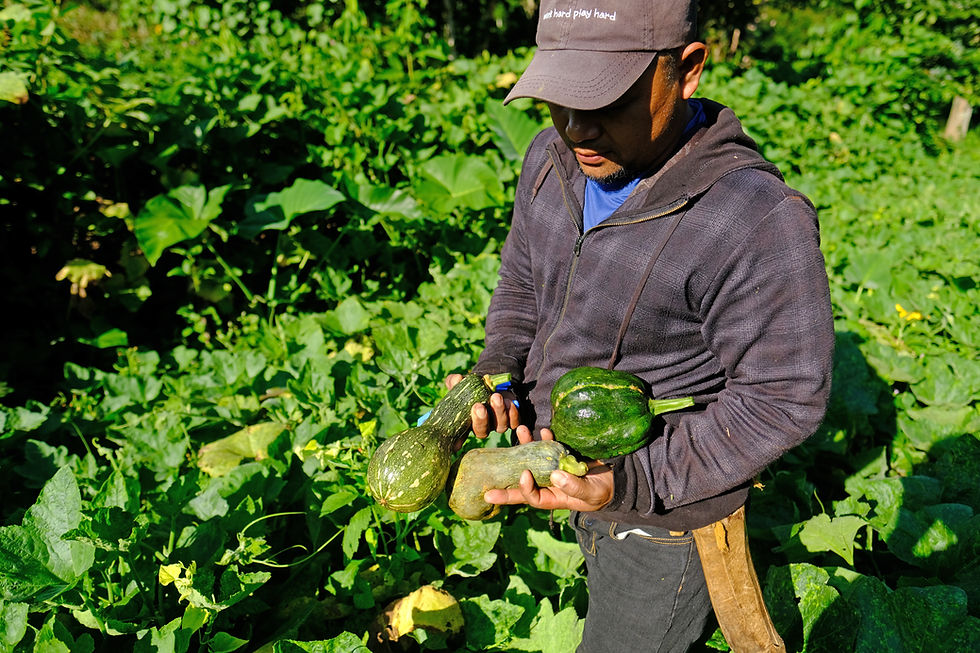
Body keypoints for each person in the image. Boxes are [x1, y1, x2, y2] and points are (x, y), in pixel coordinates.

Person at [445, 0, 835, 650]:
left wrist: (631, 481)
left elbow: (785, 397)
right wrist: (498, 372)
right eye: (559, 99)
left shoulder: (754, 219)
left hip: (666, 513)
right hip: (561, 458)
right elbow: (521, 282)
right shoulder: (549, 157)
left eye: (605, 102)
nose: (575, 128)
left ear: (686, 70)